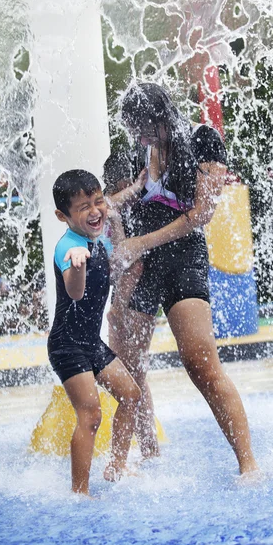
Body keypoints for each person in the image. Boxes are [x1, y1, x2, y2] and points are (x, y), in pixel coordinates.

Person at [110, 82, 259, 477]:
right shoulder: (130, 153)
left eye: (142, 127)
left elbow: (200, 215)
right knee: (130, 366)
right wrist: (125, 251)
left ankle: (248, 465)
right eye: (132, 129)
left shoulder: (203, 141)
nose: (138, 137)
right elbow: (108, 210)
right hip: (138, 266)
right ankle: (148, 453)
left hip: (181, 258)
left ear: (160, 117)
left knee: (200, 363)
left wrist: (139, 243)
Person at [47, 169, 142, 496]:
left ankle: (116, 465)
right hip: (66, 345)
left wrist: (137, 187)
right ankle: (79, 492)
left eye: (97, 201)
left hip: (90, 341)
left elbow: (110, 204)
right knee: (90, 415)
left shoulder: (95, 230)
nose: (95, 210)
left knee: (131, 396)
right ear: (63, 216)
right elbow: (74, 293)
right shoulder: (69, 248)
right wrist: (76, 265)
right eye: (83, 206)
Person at [103, 151, 160, 460]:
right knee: (135, 375)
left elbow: (133, 265)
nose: (110, 197)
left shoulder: (132, 211)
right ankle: (149, 447)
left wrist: (117, 308)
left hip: (134, 297)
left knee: (132, 378)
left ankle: (141, 452)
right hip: (129, 296)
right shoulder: (128, 206)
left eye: (115, 188)